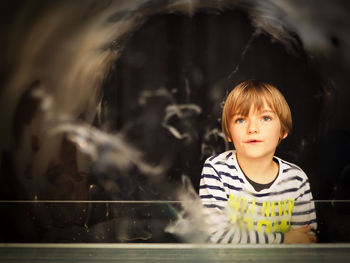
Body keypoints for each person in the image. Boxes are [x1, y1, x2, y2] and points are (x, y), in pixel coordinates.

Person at [199, 80, 317, 244]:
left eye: (266, 118)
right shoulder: (217, 170)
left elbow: (305, 240)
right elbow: (216, 237)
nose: (252, 128)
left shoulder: (296, 179)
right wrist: (282, 240)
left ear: (283, 130)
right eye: (241, 120)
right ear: (228, 133)